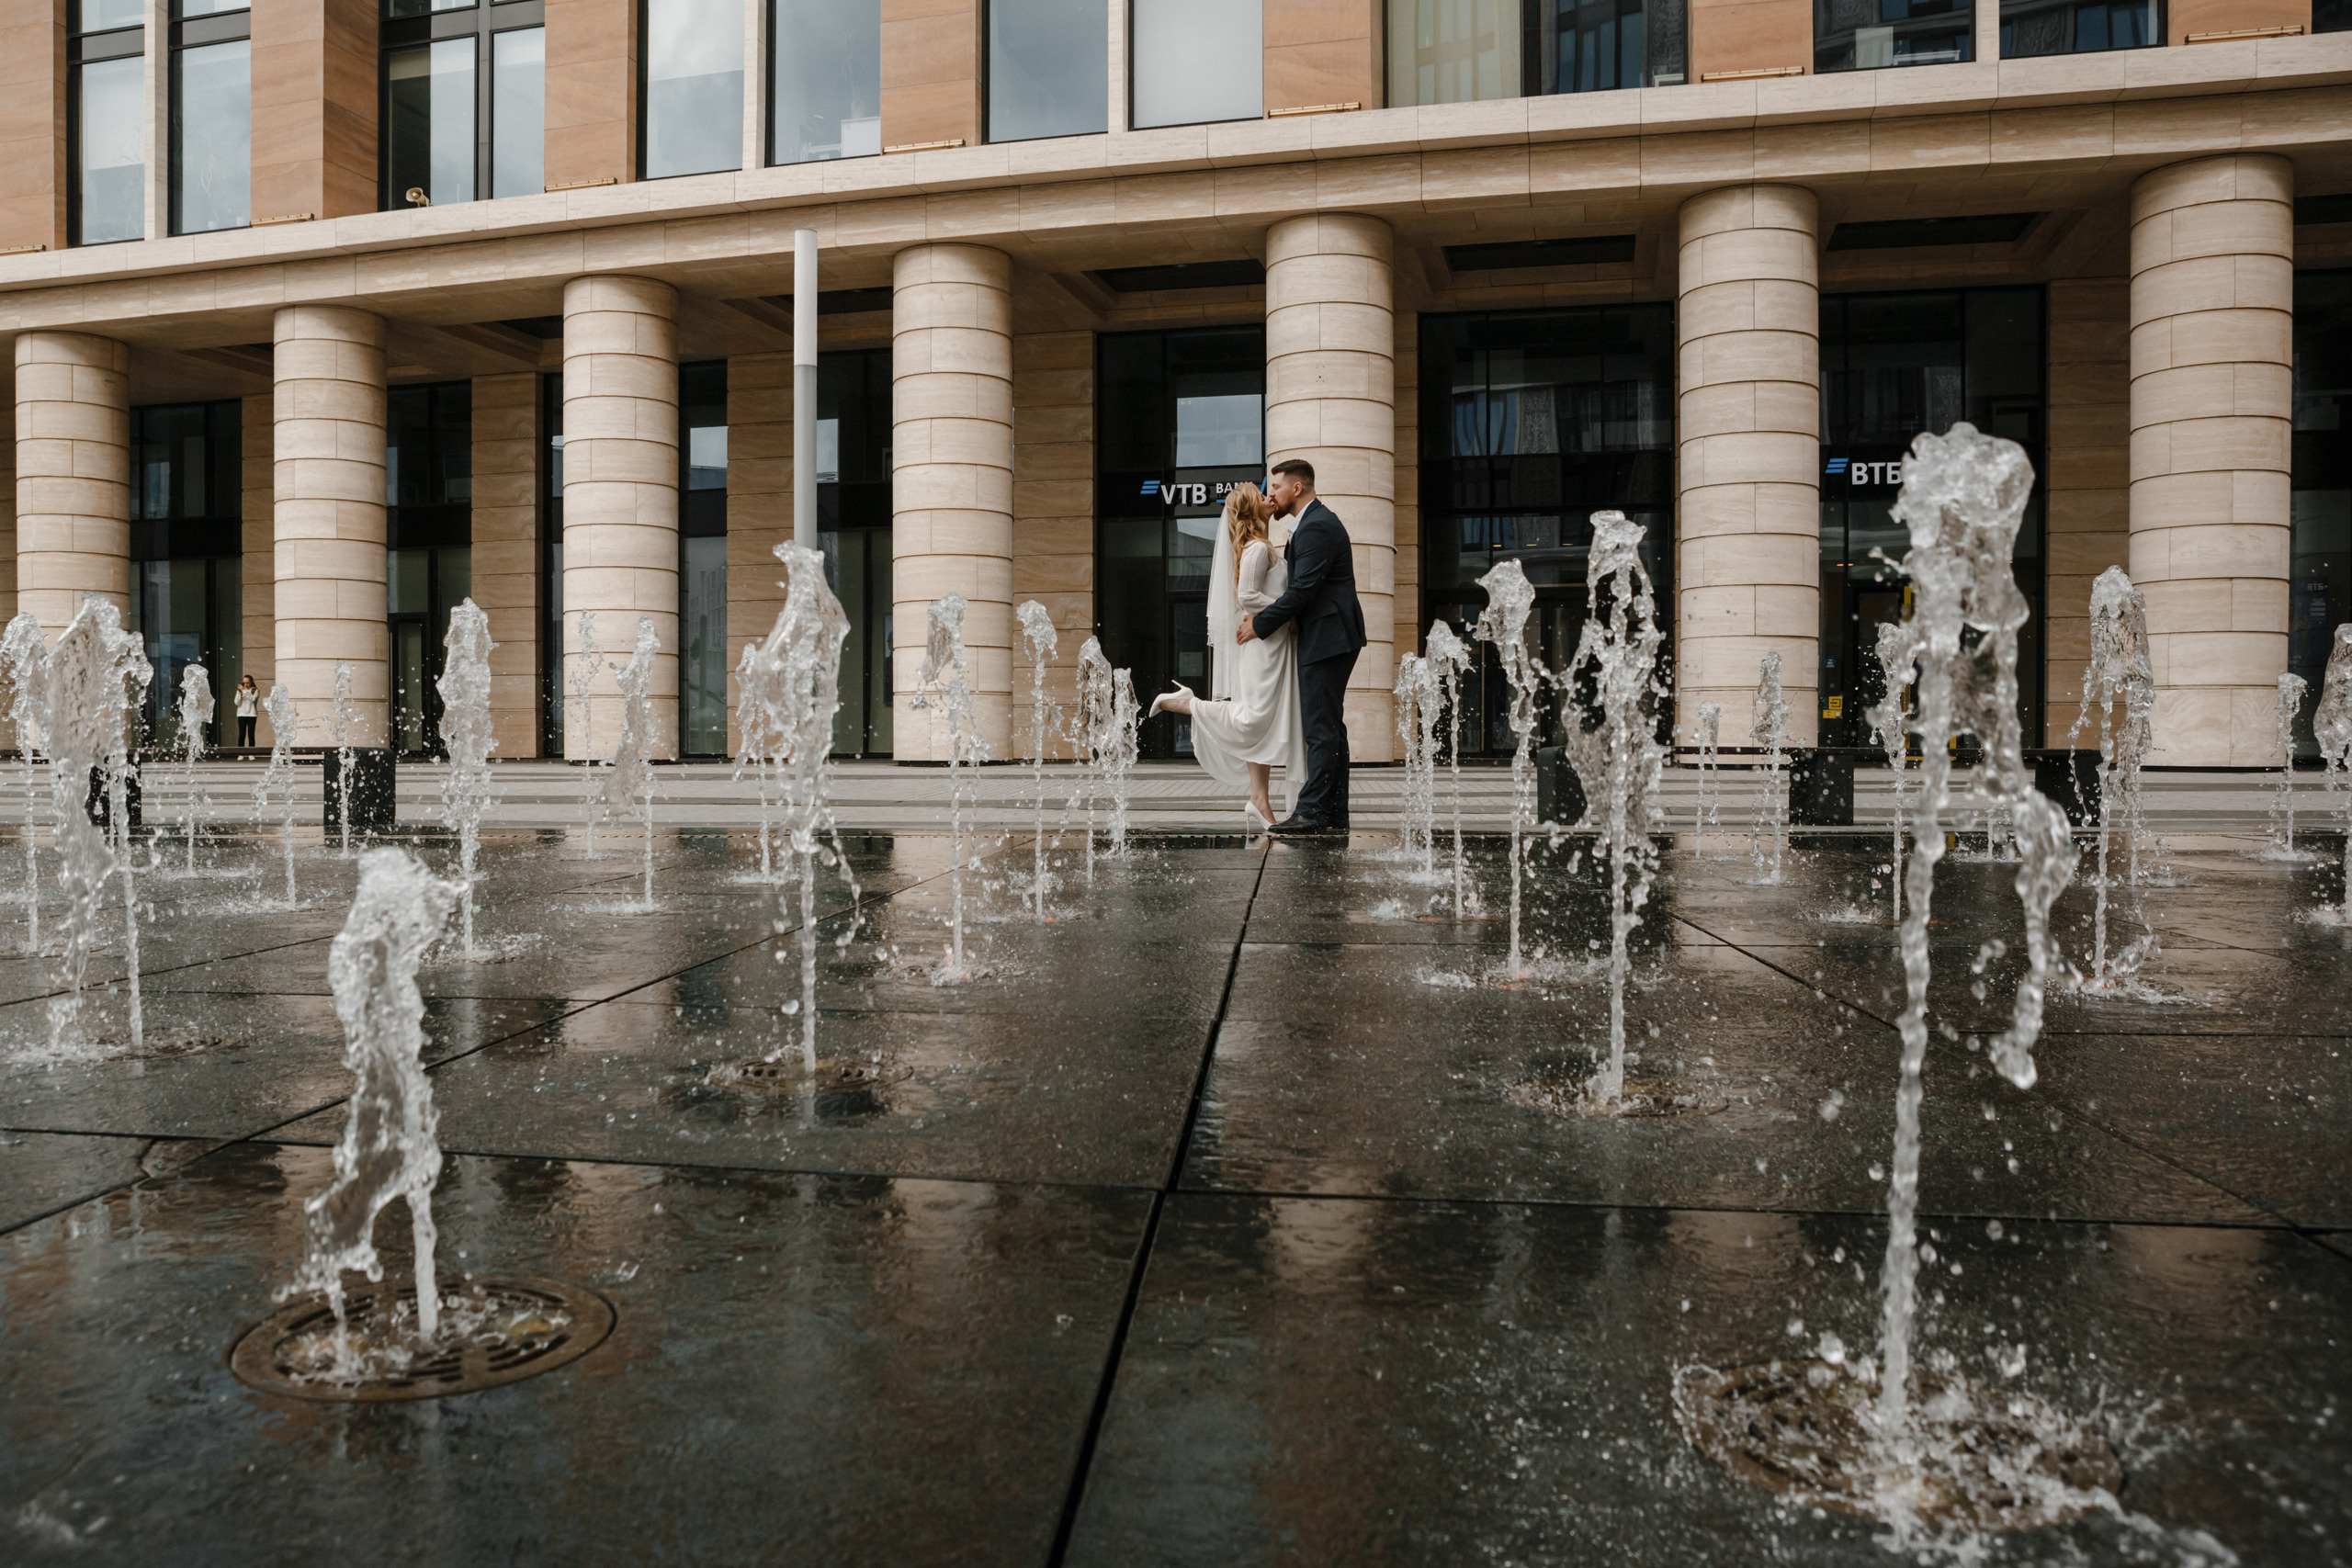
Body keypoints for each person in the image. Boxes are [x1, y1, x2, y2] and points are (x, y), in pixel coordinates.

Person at [1144, 483, 1307, 829]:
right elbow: (1247, 596)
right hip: (1263, 646)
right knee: (1253, 718)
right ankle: (1186, 703)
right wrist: (1288, 613)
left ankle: (1259, 800)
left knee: (1262, 725)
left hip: (1272, 645)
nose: (1269, 498)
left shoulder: (1261, 547)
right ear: (1250, 509)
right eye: (1261, 496)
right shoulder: (1257, 549)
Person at [1238, 457, 1365, 834]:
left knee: (1320, 728)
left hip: (1329, 636)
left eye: (1274, 487)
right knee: (1330, 726)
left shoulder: (1316, 526)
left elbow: (1303, 591)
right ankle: (1332, 811)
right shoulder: (1309, 525)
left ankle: (1310, 812)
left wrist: (1259, 625)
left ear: (1296, 488)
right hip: (1331, 634)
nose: (1271, 495)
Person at [233, 674, 258, 749]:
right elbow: (236, 703)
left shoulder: (255, 691)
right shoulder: (240, 691)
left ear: (251, 682)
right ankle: (240, 753)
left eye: (247, 683)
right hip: (241, 714)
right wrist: (240, 693)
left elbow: (253, 700)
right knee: (242, 734)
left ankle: (251, 753)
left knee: (251, 734)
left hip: (252, 714)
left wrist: (245, 692)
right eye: (244, 683)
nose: (245, 685)